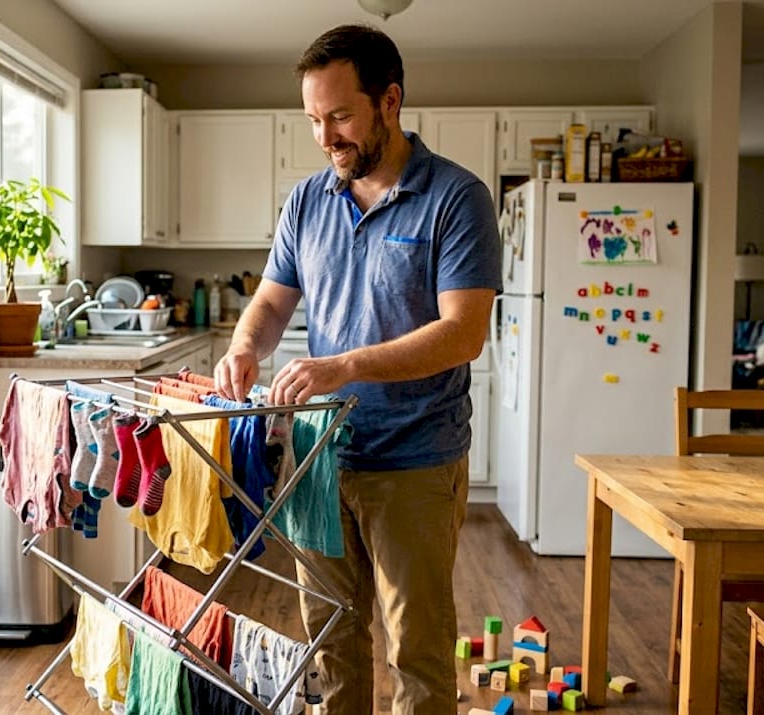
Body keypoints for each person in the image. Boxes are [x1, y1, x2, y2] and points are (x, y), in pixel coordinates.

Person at [212, 24, 501, 714]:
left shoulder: (455, 199)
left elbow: (464, 334)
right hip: (320, 456)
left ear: (390, 101)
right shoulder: (308, 201)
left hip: (415, 459)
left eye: (339, 115)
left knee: (417, 650)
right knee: (330, 639)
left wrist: (344, 365)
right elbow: (271, 304)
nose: (324, 135)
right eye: (314, 118)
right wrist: (244, 345)